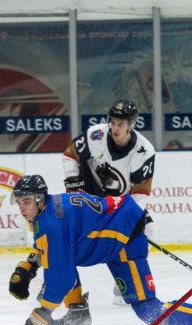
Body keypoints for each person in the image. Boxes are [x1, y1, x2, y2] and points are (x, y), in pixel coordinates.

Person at [8, 174, 192, 325]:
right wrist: (28, 265)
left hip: (125, 239)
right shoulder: (48, 211)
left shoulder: (51, 223)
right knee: (61, 261)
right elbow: (53, 252)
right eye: (18, 202)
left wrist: (43, 312)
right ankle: (78, 312)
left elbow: (60, 274)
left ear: (40, 199)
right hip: (113, 233)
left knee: (149, 311)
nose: (21, 208)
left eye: (26, 202)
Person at [63, 100, 156, 306]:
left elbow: (140, 194)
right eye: (113, 123)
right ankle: (61, 287)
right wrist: (74, 189)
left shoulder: (144, 151)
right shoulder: (96, 135)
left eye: (121, 124)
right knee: (69, 238)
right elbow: (70, 155)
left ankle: (124, 280)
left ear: (131, 125)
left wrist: (124, 219)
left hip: (119, 201)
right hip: (89, 198)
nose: (115, 128)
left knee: (148, 229)